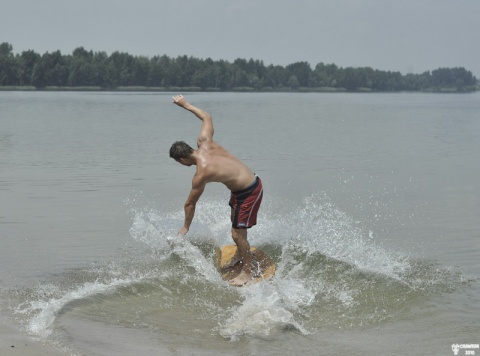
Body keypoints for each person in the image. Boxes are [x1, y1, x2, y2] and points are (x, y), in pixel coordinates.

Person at [169, 95, 263, 286]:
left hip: (250, 191)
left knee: (237, 234)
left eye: (179, 163)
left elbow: (190, 203)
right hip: (240, 190)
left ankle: (248, 272)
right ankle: (240, 253)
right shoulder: (205, 142)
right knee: (236, 226)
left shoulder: (201, 174)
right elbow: (207, 117)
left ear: (182, 159)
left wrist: (186, 227)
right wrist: (185, 105)